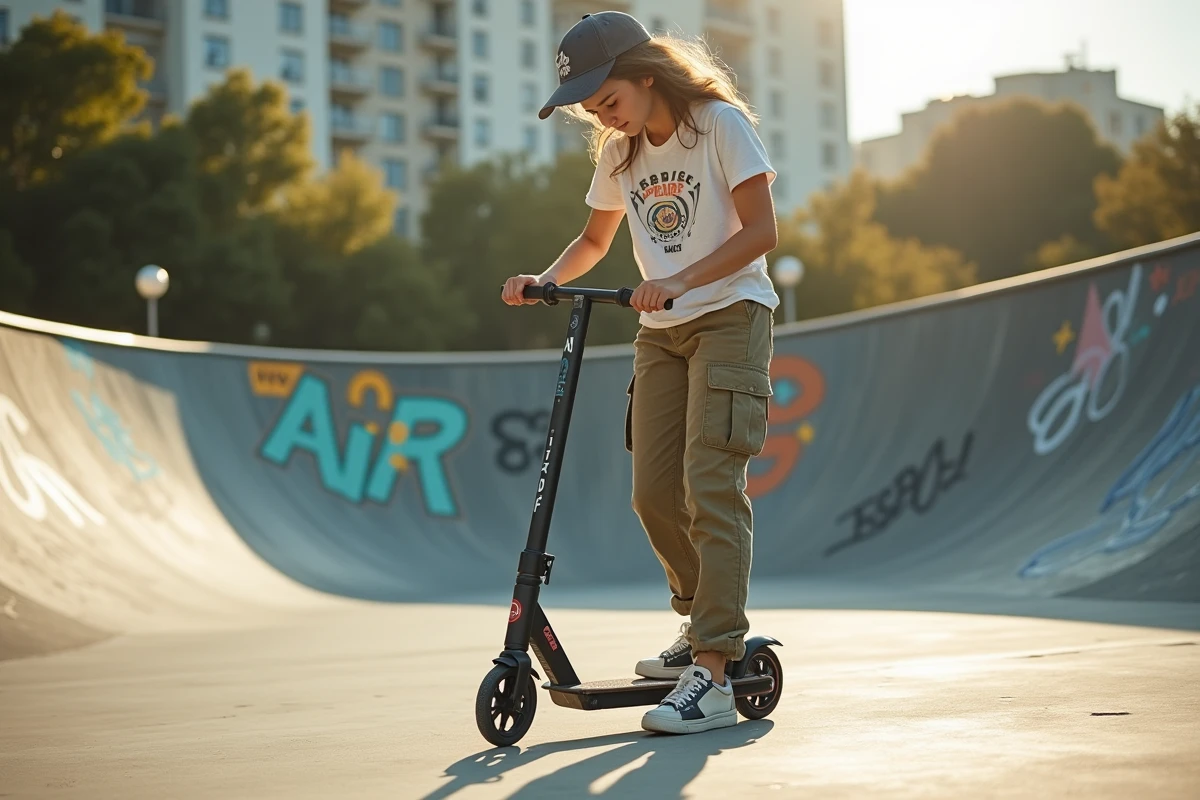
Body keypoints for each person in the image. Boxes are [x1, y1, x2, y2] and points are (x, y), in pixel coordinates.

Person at [501, 11, 779, 735]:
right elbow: (595, 239)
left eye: (608, 98)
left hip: (730, 316)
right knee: (653, 494)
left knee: (710, 486)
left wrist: (680, 280)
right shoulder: (620, 154)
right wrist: (545, 280)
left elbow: (762, 231)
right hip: (661, 332)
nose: (602, 115)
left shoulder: (718, 125)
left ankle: (714, 672)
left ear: (646, 75)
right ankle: (699, 622)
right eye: (591, 108)